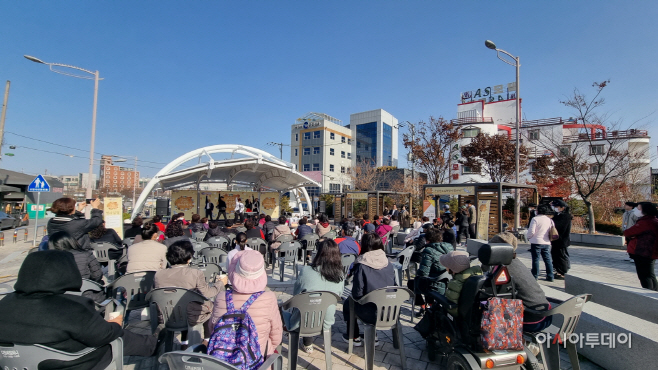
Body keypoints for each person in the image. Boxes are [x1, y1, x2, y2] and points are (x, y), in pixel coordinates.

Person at [0, 250, 158, 370]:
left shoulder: (4, 303)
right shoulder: (72, 306)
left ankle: (151, 343)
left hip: (16, 364)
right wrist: (116, 324)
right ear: (67, 273)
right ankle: (154, 344)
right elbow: (103, 336)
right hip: (69, 363)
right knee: (116, 335)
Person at [211, 250, 282, 355]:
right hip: (257, 361)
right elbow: (276, 336)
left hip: (223, 361)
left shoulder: (221, 297)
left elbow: (212, 328)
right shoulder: (269, 298)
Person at [155, 240, 223, 343]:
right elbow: (208, 293)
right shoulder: (195, 273)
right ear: (188, 258)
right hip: (191, 316)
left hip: (167, 315)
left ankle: (184, 342)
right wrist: (221, 283)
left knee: (186, 305)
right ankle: (207, 341)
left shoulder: (158, 275)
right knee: (210, 306)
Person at [287, 238, 345, 353]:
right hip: (326, 319)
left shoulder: (307, 271)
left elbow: (296, 294)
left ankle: (307, 342)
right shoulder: (340, 274)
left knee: (302, 306)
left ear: (319, 253)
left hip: (303, 320)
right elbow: (339, 294)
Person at [342, 233, 396, 345]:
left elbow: (357, 294)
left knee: (348, 303)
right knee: (377, 298)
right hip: (391, 311)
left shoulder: (362, 265)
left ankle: (354, 336)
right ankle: (373, 335)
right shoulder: (389, 263)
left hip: (371, 313)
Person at [504, 237, 553, 332]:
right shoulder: (517, 262)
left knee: (491, 312)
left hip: (534, 319)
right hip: (547, 313)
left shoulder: (505, 266)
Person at [48, 231, 105, 303]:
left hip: (61, 301)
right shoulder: (86, 254)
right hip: (88, 297)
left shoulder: (49, 260)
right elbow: (97, 275)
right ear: (71, 241)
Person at [408, 228, 452, 317]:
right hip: (448, 281)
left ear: (427, 240)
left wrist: (417, 274)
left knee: (413, 282)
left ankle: (424, 306)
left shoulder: (429, 251)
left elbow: (423, 273)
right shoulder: (449, 247)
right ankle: (430, 305)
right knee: (426, 280)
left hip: (435, 284)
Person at [623, 202, 658, 291]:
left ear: (645, 210)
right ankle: (655, 293)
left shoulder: (645, 222)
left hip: (642, 251)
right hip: (650, 251)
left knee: (644, 275)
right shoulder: (653, 220)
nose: (635, 210)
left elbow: (628, 232)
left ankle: (648, 295)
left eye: (638, 209)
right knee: (650, 274)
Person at [440, 251, 483, 316]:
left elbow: (452, 306)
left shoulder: (456, 283)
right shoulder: (476, 274)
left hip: (457, 317)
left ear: (452, 269)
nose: (446, 268)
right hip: (472, 314)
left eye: (446, 266)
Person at [526, 204, 555, 281]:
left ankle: (535, 276)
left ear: (538, 211)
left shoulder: (535, 219)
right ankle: (550, 276)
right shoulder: (549, 220)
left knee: (536, 259)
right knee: (548, 259)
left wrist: (528, 237)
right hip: (547, 242)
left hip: (536, 241)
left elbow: (531, 231)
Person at [550, 200, 572, 279]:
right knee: (555, 255)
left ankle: (562, 271)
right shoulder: (558, 215)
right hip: (556, 240)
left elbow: (560, 227)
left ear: (562, 208)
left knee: (561, 256)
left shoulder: (566, 216)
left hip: (562, 240)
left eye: (556, 207)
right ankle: (558, 270)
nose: (555, 208)